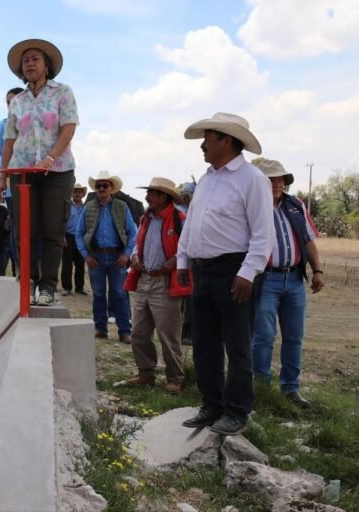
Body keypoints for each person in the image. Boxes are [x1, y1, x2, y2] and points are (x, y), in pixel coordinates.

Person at [177, 112, 274, 436]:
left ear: (227, 140)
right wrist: (182, 262)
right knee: (203, 342)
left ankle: (236, 410)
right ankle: (212, 404)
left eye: (208, 138)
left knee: (237, 344)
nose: (202, 145)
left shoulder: (252, 179)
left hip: (234, 270)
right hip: (203, 271)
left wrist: (247, 273)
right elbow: (191, 225)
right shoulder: (207, 179)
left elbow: (263, 233)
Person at [0, 39, 78, 306]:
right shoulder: (17, 101)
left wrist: (49, 158)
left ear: (47, 65)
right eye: (26, 60)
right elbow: (9, 140)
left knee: (53, 230)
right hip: (22, 172)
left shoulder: (62, 92)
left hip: (57, 171)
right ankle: (28, 279)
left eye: (35, 59)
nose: (30, 63)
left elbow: (68, 128)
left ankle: (47, 286)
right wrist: (2, 177)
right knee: (25, 229)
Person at [251, 158, 324, 408]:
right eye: (271, 179)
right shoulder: (252, 206)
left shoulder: (296, 205)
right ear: (260, 182)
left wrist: (318, 270)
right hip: (265, 279)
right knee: (264, 335)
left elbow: (309, 240)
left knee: (294, 336)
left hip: (294, 278)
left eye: (281, 179)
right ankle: (260, 387)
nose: (277, 183)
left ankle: (290, 389)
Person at [123, 178, 191, 394]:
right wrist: (134, 256)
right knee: (139, 333)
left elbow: (189, 245)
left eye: (152, 193)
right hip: (145, 279)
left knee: (167, 334)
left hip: (165, 281)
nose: (147, 196)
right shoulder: (146, 218)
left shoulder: (179, 217)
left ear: (164, 197)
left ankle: (175, 378)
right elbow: (137, 242)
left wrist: (176, 260)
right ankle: (146, 373)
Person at [75, 171, 137, 342]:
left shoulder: (122, 207)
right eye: (99, 186)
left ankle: (125, 331)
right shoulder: (88, 208)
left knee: (119, 293)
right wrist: (86, 256)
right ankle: (100, 328)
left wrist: (126, 254)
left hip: (118, 257)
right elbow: (78, 234)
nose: (102, 188)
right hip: (96, 257)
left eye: (105, 185)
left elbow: (133, 233)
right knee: (99, 294)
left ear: (112, 188)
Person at [0, 87, 25, 277]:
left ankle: (36, 272)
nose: (11, 105)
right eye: (8, 102)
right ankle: (19, 268)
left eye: (15, 101)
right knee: (16, 229)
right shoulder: (3, 124)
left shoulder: (33, 124)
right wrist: (7, 168)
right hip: (13, 184)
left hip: (35, 182)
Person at [177, 181, 196, 344]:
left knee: (189, 300)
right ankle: (184, 333)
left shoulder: (193, 211)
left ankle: (186, 332)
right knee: (185, 300)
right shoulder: (181, 214)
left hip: (192, 262)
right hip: (183, 262)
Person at [61, 183, 88, 296]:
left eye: (79, 192)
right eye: (75, 191)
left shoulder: (86, 207)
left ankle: (79, 287)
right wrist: (62, 236)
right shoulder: (67, 206)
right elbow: (61, 221)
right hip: (68, 236)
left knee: (80, 263)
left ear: (83, 194)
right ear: (72, 193)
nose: (77, 194)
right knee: (67, 263)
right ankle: (66, 287)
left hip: (81, 237)